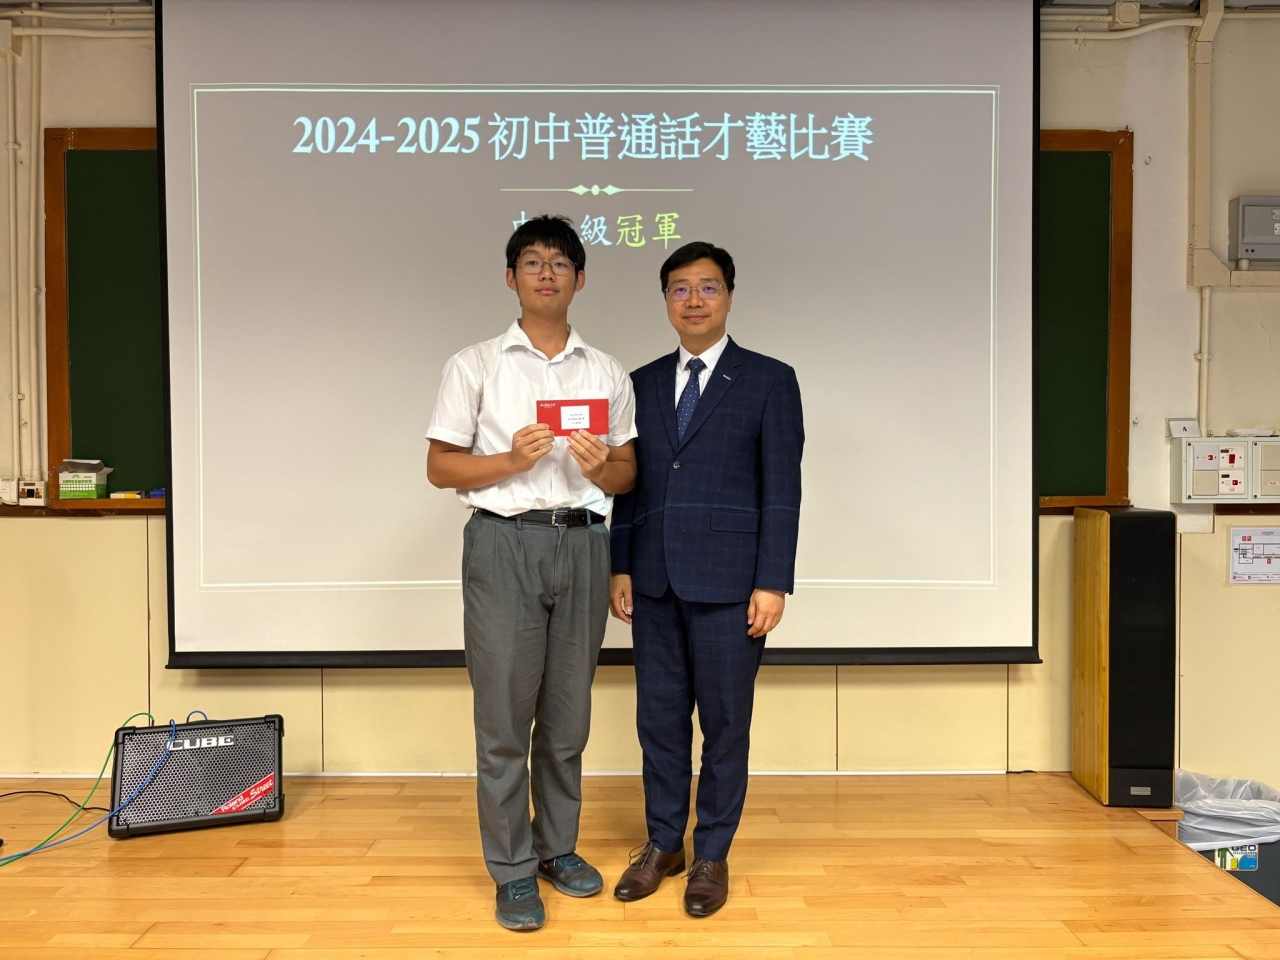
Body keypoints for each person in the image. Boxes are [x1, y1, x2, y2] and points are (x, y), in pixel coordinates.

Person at [425, 214, 637, 932]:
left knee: (568, 719)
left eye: (560, 263)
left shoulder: (606, 371)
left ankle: (556, 849)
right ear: (510, 277)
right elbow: (440, 467)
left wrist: (601, 467)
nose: (547, 274)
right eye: (533, 262)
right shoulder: (475, 364)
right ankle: (513, 868)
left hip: (583, 544)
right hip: (503, 543)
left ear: (581, 279)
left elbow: (628, 473)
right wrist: (512, 461)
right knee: (504, 721)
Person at [608, 240, 804, 917]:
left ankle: (712, 853)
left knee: (724, 726)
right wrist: (620, 563)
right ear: (666, 300)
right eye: (680, 288)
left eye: (708, 287)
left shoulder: (769, 379)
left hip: (732, 584)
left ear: (729, 296)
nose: (694, 300)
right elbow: (629, 486)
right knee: (659, 723)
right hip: (653, 581)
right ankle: (664, 844)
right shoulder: (639, 383)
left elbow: (782, 489)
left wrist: (773, 581)